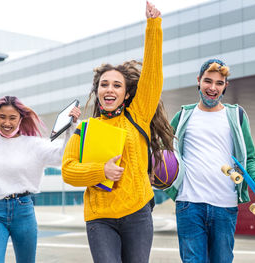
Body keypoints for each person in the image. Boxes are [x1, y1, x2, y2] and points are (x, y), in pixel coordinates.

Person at [61, 2, 172, 263]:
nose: (109, 89)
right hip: (100, 218)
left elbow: (153, 75)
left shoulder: (138, 116)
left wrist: (153, 26)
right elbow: (68, 171)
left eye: (116, 85)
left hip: (137, 214)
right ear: (97, 91)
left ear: (126, 93)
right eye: (104, 84)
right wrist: (102, 171)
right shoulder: (86, 129)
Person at [164, 59, 255, 263]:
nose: (212, 88)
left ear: (225, 86)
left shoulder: (236, 115)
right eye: (208, 81)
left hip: (225, 206)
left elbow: (251, 157)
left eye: (219, 83)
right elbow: (161, 152)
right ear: (199, 81)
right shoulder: (184, 115)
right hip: (189, 204)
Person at [0, 95, 80, 263]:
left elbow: (62, 157)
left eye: (12, 118)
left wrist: (71, 127)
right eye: (2, 117)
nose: (7, 123)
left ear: (21, 118)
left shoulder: (33, 144)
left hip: (23, 211)